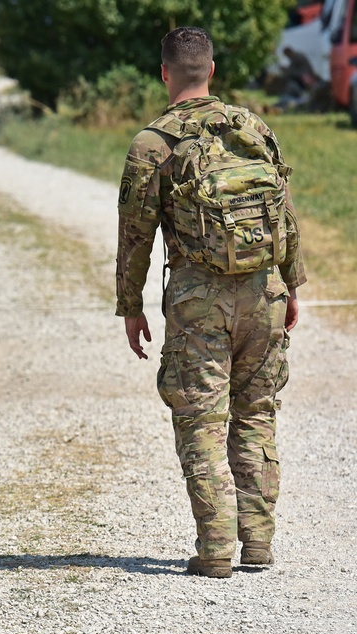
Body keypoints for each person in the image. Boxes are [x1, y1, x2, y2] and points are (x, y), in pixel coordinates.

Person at [116, 28, 306, 578]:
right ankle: (259, 543)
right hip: (264, 292)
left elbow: (135, 235)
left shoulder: (153, 144)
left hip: (199, 302)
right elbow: (285, 214)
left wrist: (131, 306)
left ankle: (217, 549)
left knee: (200, 420)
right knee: (257, 416)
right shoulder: (253, 127)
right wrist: (291, 285)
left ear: (164, 72)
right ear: (213, 71)